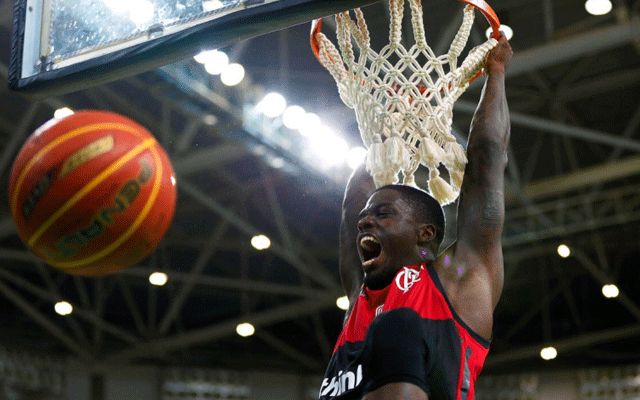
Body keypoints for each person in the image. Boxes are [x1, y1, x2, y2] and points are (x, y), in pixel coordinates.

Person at [318, 32, 513, 400]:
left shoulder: (458, 280)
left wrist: (497, 74)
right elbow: (350, 212)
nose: (365, 221)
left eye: (383, 213)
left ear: (425, 233)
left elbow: (486, 162)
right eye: (366, 216)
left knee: (397, 326)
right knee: (391, 326)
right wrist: (380, 133)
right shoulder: (361, 297)